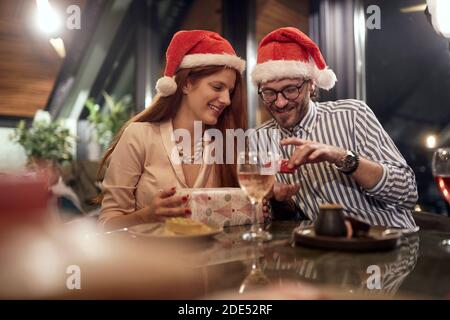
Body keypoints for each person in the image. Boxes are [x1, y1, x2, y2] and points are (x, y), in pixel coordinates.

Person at [252, 27, 417, 229]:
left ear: (312, 84)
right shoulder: (260, 138)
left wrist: (342, 157)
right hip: (324, 253)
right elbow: (286, 216)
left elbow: (407, 193)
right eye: (269, 92)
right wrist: (277, 199)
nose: (279, 103)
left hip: (389, 247)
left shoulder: (353, 114)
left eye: (290, 89)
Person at [98, 30, 247, 230]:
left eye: (230, 91)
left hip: (211, 259)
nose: (227, 100)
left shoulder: (222, 144)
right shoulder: (139, 135)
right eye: (217, 87)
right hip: (151, 260)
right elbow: (106, 225)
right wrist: (146, 216)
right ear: (186, 83)